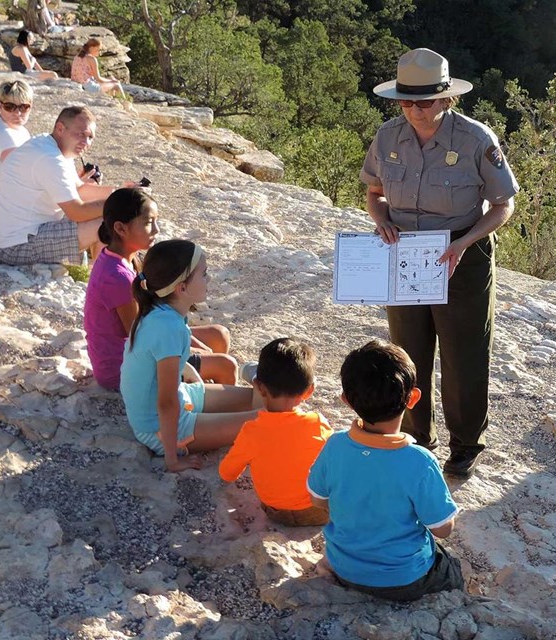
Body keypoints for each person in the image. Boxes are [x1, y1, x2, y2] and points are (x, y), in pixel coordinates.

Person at [359, 48, 519, 478]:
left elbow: (503, 203)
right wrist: (382, 222)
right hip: (406, 252)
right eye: (405, 101)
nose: (413, 110)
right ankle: (417, 437)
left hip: (460, 255)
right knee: (407, 351)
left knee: (463, 354)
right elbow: (374, 193)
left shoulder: (476, 139)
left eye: (423, 101)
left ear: (447, 98)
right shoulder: (388, 137)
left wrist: (466, 240)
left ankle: (465, 444)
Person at [308, 339, 463, 602]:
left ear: (346, 400)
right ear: (413, 398)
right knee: (450, 568)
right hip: (404, 578)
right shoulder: (420, 461)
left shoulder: (334, 445)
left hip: (344, 567)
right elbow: (442, 529)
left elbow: (318, 500)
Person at [120, 239, 261, 473]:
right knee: (265, 420)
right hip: (159, 428)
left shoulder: (160, 310)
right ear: (181, 288)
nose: (209, 279)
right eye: (203, 274)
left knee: (260, 399)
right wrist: (173, 459)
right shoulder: (168, 328)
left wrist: (194, 377)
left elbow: (166, 369)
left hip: (180, 398)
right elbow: (166, 402)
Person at [84, 188, 238, 390]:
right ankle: (210, 411)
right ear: (121, 228)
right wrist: (193, 350)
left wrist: (194, 347)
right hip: (122, 369)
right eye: (148, 223)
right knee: (225, 366)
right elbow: (141, 339)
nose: (156, 229)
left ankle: (202, 393)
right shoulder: (117, 278)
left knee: (219, 335)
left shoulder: (126, 259)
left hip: (139, 346)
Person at [0, 105, 138, 265]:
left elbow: (79, 190)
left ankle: (102, 272)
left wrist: (123, 192)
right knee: (110, 221)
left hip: (19, 235)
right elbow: (76, 211)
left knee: (107, 212)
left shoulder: (50, 145)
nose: (86, 142)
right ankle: (104, 280)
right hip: (16, 246)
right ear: (60, 128)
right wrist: (119, 204)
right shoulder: (50, 158)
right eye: (81, 134)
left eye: (90, 137)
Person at [219, 337, 332, 526]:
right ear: (309, 391)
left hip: (275, 511)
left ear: (259, 388)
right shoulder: (317, 423)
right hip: (318, 512)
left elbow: (227, 473)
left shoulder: (251, 431)